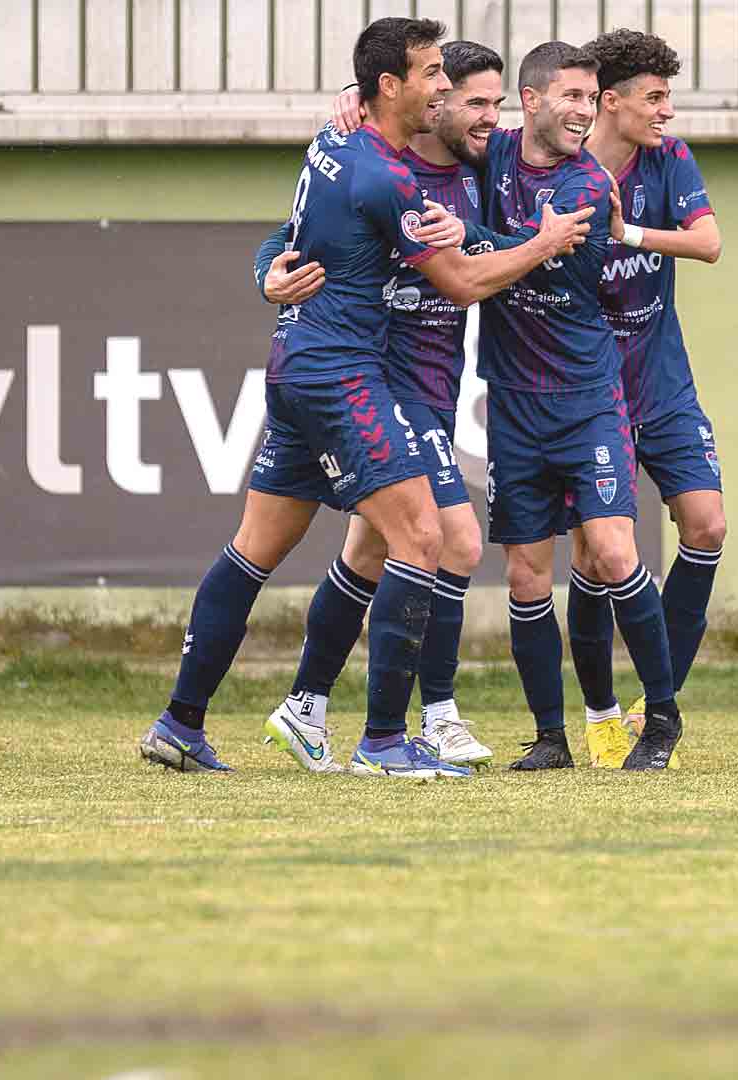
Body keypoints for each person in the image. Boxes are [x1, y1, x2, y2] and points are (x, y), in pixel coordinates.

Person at [138, 16, 595, 779]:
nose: (448, 91)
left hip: (298, 363)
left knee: (258, 548)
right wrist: (541, 245)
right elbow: (459, 281)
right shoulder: (387, 175)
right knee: (428, 539)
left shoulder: (336, 140)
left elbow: (307, 226)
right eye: (433, 78)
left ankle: (183, 721)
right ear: (392, 87)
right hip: (346, 374)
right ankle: (387, 740)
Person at [255, 40, 532, 772]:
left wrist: (481, 232)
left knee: (373, 548)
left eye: (489, 103)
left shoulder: (482, 168)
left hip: (437, 386)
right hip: (389, 381)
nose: (478, 113)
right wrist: (266, 274)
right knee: (452, 541)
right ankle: (426, 719)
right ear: (414, 98)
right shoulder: (379, 161)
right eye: (462, 96)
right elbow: (291, 235)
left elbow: (540, 161)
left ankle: (308, 702)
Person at [474, 41, 684, 772]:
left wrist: (497, 244)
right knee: (527, 576)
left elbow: (495, 261)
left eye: (590, 100)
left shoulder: (590, 186)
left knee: (615, 552)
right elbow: (429, 140)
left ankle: (660, 721)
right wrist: (348, 112)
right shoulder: (491, 155)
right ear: (529, 101)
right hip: (513, 404)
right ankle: (550, 739)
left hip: (588, 399)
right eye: (570, 96)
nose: (582, 111)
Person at [566, 28, 724, 769]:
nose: (667, 111)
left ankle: (657, 708)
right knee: (597, 559)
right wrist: (352, 99)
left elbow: (709, 242)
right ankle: (599, 715)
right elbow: (454, 131)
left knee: (707, 524)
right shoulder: (550, 166)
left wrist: (626, 231)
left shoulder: (670, 159)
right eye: (655, 97)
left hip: (662, 383)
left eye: (669, 97)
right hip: (589, 393)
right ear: (611, 101)